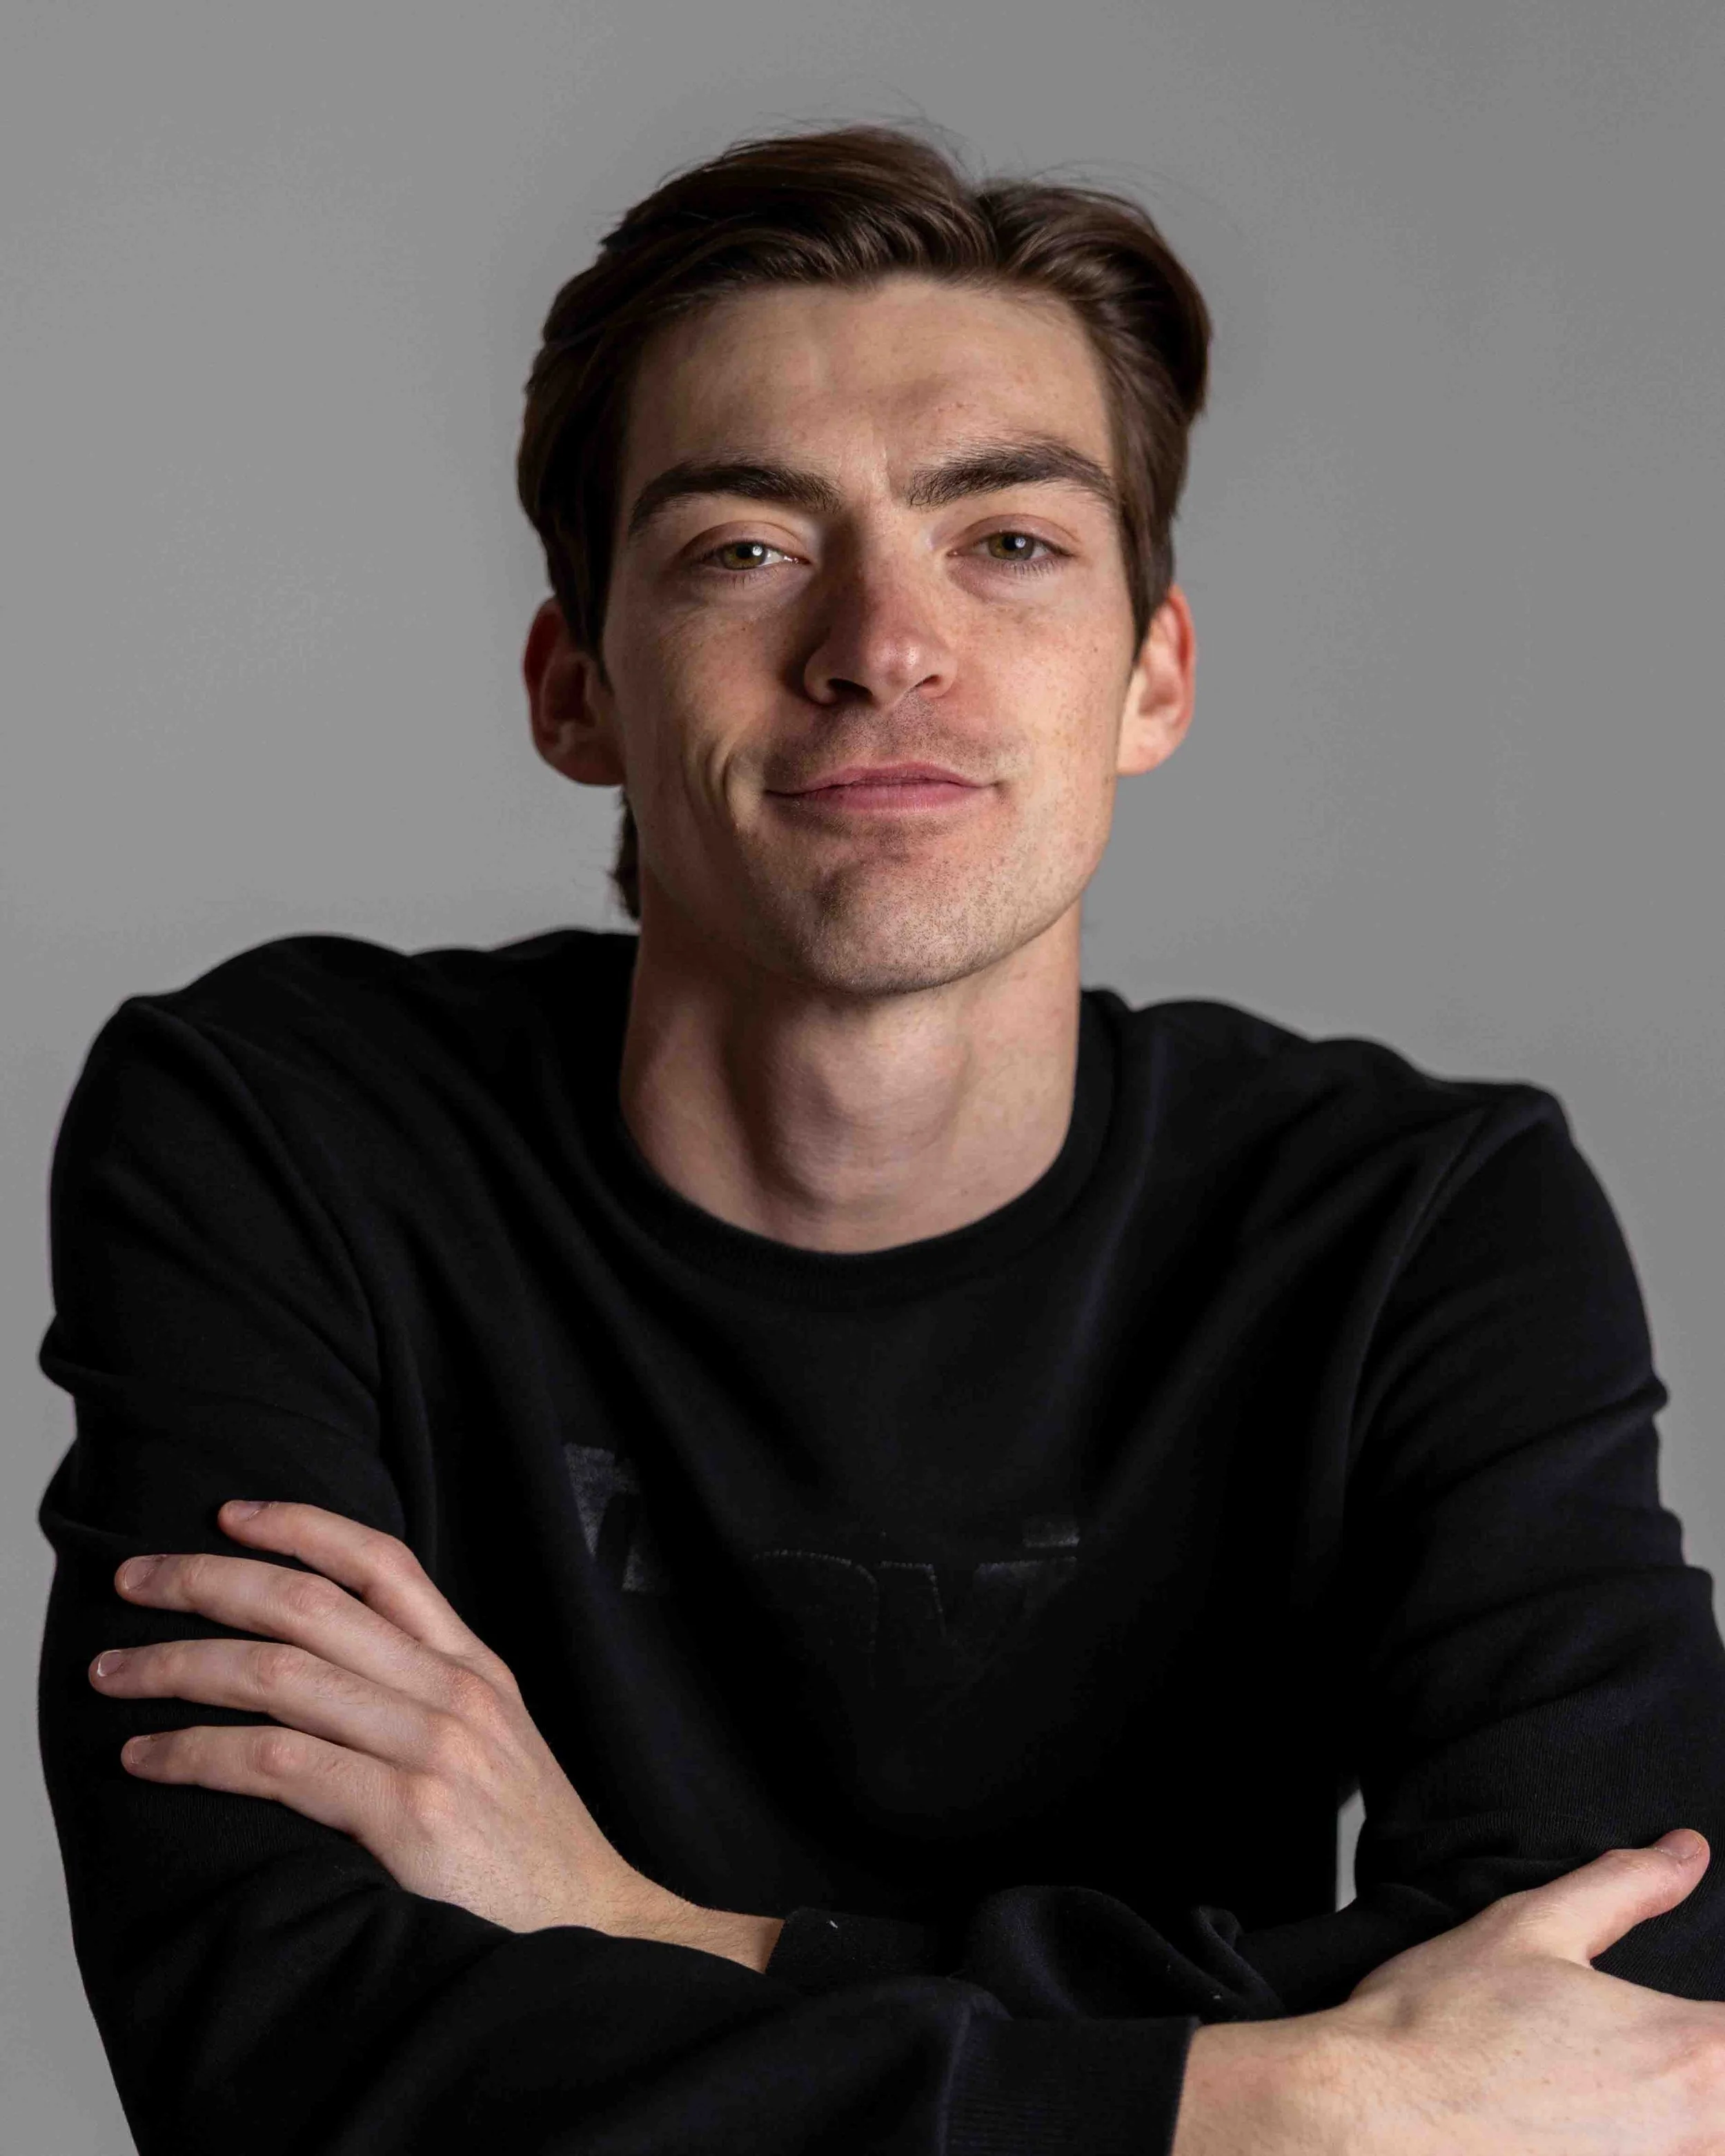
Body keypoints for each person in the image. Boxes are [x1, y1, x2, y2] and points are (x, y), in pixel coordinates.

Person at [34, 120, 1725, 2156]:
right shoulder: (285, 1132)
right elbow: (274, 2053)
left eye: (1005, 539)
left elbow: (1620, 2023)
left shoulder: (1412, 1221)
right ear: (574, 688)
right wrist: (1269, 2099)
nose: (878, 644)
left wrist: (657, 1928)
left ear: (1150, 676)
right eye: (741, 545)